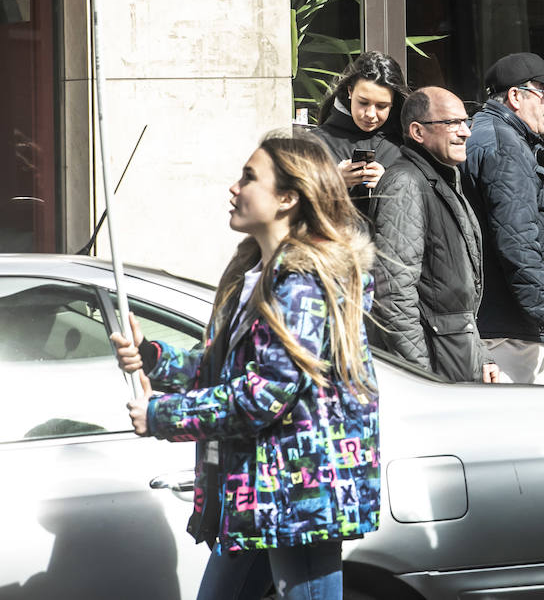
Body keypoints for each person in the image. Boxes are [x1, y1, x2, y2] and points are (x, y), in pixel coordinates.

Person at [111, 132, 379, 600]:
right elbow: (226, 368)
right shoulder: (255, 271)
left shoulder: (303, 282)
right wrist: (154, 357)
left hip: (298, 493)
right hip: (257, 486)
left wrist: (163, 415)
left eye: (249, 178)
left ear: (288, 198)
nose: (233, 188)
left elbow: (264, 393)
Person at [370, 87, 498, 383]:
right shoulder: (405, 183)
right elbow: (393, 293)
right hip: (434, 370)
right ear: (417, 131)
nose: (465, 132)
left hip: (454, 359)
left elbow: (456, 298)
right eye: (452, 123)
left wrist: (481, 354)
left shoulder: (442, 178)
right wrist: (421, 376)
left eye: (466, 122)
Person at [462, 51, 544, 384]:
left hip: (501, 320)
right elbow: (517, 244)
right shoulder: (505, 147)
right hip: (507, 329)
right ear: (515, 96)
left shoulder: (490, 134)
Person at [312, 51, 410, 216]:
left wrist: (390, 184)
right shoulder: (314, 142)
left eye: (381, 106)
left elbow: (428, 206)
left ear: (394, 102)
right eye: (363, 103)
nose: (371, 114)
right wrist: (332, 181)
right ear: (350, 92)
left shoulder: (407, 142)